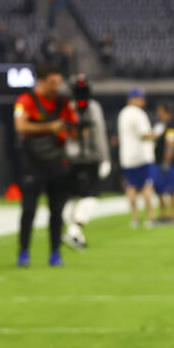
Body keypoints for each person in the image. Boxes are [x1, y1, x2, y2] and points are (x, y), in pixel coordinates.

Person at [13, 62, 77, 267]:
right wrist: (50, 127)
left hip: (57, 163)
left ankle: (55, 253)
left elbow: (75, 130)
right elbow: (20, 126)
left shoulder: (63, 103)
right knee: (28, 210)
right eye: (52, 83)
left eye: (58, 83)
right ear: (40, 82)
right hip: (33, 163)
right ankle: (24, 252)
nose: (56, 87)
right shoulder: (26, 100)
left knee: (57, 211)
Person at [62, 75, 111, 250]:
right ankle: (74, 230)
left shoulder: (67, 107)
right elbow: (99, 134)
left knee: (72, 197)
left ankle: (74, 233)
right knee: (90, 196)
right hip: (87, 159)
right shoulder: (92, 107)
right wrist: (104, 158)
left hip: (70, 158)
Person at [117, 87, 157, 229]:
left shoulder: (123, 113)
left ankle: (134, 218)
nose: (143, 101)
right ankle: (150, 217)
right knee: (146, 186)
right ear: (134, 99)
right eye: (140, 98)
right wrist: (156, 135)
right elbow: (144, 135)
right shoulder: (138, 113)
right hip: (141, 156)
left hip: (127, 157)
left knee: (131, 187)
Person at [153, 99, 174, 226]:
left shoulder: (171, 126)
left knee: (172, 190)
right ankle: (164, 214)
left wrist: (167, 162)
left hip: (168, 164)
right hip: (159, 162)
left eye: (160, 111)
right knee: (159, 189)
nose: (158, 113)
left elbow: (171, 145)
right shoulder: (160, 125)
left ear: (166, 112)